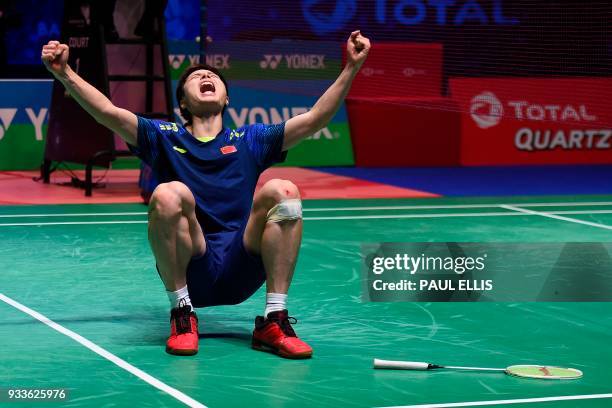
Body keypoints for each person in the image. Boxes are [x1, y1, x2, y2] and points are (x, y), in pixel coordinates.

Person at [41, 30, 370, 359]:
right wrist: (65, 73)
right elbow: (108, 113)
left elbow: (314, 120)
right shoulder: (163, 137)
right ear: (182, 102)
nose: (205, 75)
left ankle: (274, 319)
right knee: (170, 193)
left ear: (226, 98)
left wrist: (351, 67)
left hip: (243, 264)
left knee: (284, 191)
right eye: (195, 76)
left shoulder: (251, 139)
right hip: (190, 263)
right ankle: (182, 314)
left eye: (212, 75)